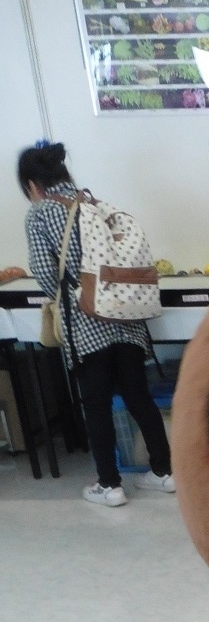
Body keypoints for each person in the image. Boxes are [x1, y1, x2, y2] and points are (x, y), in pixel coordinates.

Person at [17, 141, 174, 507]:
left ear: (32, 185)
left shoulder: (40, 214)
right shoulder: (94, 204)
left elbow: (44, 273)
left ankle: (110, 485)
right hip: (127, 318)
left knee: (97, 403)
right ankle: (164, 473)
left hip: (87, 323)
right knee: (139, 396)